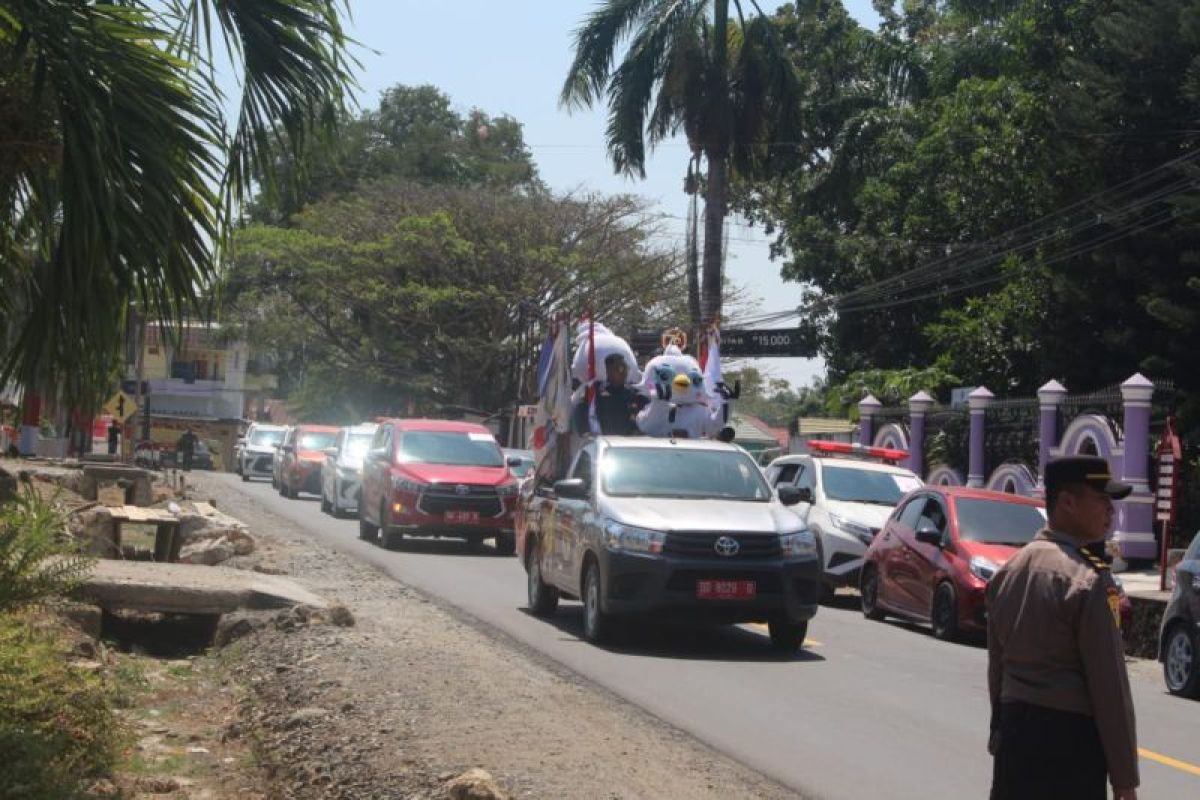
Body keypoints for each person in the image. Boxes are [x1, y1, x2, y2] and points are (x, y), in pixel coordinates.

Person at [987, 456, 1138, 800]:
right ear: (1067, 503)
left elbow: (997, 669)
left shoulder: (1008, 571)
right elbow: (1109, 688)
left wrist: (999, 733)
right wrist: (1124, 781)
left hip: (1014, 740)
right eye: (1101, 500)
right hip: (1069, 748)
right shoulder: (1086, 580)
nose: (1110, 511)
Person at [573, 353, 644, 436]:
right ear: (609, 371)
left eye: (626, 368)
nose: (624, 372)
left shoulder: (632, 392)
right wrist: (585, 430)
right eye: (620, 369)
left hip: (627, 442)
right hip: (604, 441)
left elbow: (646, 411)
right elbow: (580, 410)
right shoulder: (596, 390)